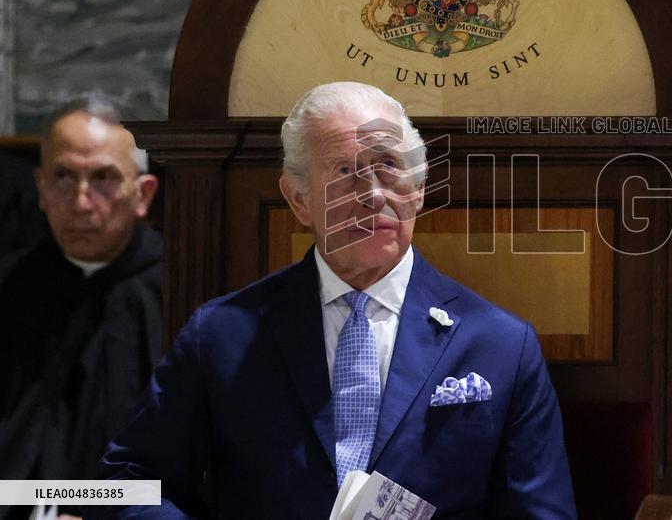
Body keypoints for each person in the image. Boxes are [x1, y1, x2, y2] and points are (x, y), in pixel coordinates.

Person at [97, 82, 576, 518]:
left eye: (389, 166)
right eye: (345, 171)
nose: (373, 195)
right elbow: (125, 484)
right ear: (299, 199)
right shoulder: (223, 335)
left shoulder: (500, 346)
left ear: (419, 189)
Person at [0, 95, 162, 520]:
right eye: (63, 177)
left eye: (104, 178)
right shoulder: (10, 288)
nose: (81, 203)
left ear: (143, 194)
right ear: (40, 189)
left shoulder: (183, 294)